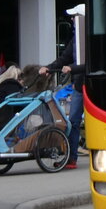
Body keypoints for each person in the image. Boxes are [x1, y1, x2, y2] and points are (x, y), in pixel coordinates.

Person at [39, 40, 85, 170]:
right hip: (79, 86)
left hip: (94, 84)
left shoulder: (91, 32)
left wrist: (73, 68)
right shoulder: (76, 38)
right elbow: (64, 58)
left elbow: (97, 61)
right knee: (73, 122)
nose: (72, 19)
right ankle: (71, 158)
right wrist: (50, 68)